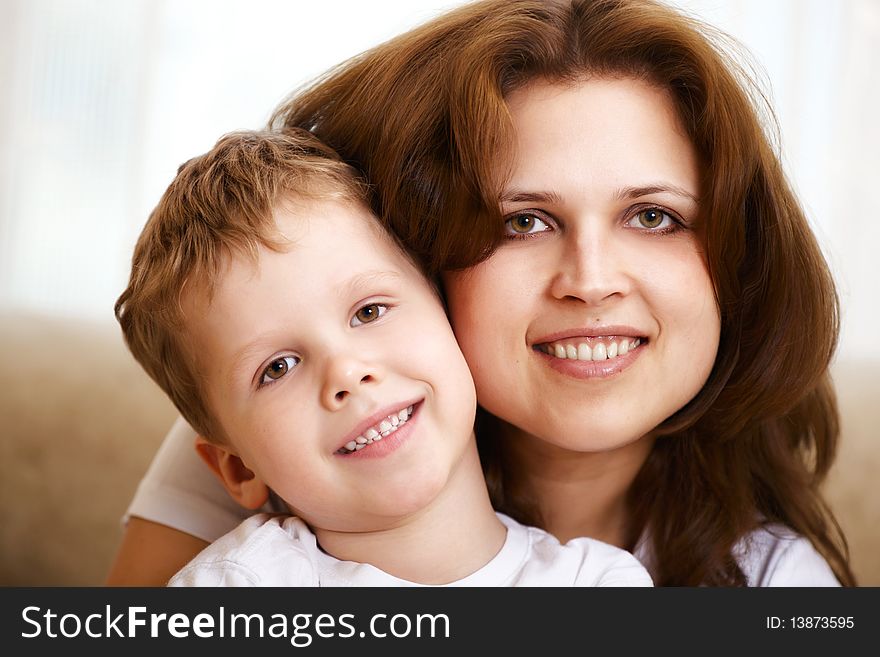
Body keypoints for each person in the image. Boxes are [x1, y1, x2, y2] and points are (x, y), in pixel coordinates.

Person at [107, 0, 855, 586]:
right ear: (424, 258)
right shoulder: (307, 415)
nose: (591, 280)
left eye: (653, 215)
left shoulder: (769, 580)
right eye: (523, 221)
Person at [114, 128, 653, 586]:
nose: (347, 372)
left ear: (449, 314)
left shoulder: (600, 584)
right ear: (236, 468)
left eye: (369, 312)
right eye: (277, 368)